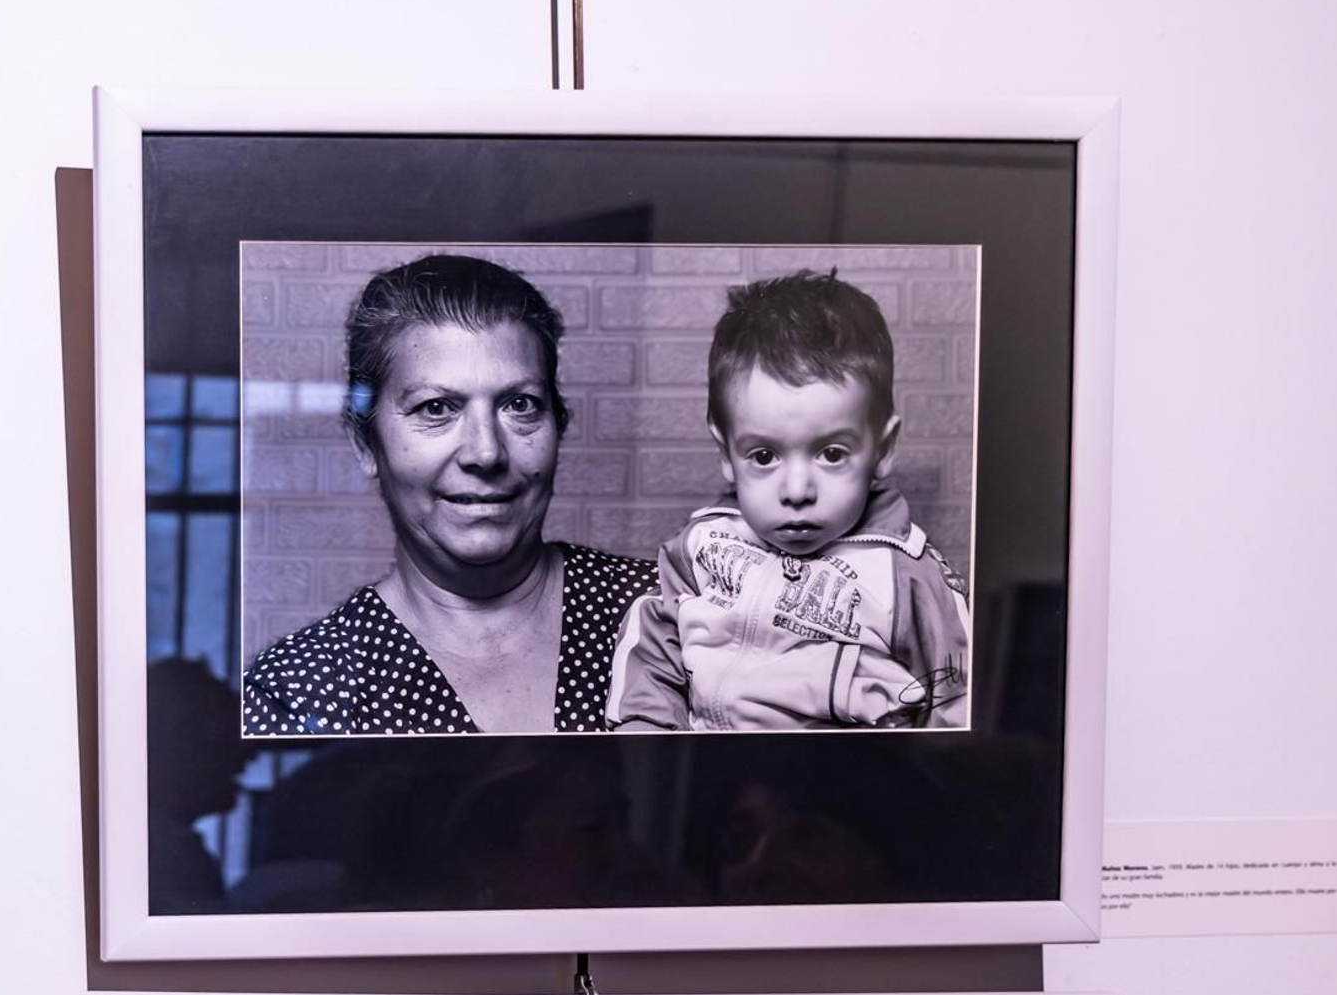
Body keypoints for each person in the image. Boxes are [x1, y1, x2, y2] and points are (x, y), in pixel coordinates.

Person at [242, 255, 656, 735]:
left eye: (520, 405)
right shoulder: (296, 693)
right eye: (436, 408)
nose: (485, 452)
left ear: (557, 425)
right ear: (366, 445)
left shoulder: (668, 614)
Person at [607, 269, 970, 731]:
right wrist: (645, 727)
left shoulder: (910, 579)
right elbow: (654, 647)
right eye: (764, 456)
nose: (797, 491)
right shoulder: (700, 547)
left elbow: (958, 703)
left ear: (883, 449)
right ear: (726, 454)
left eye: (832, 454)